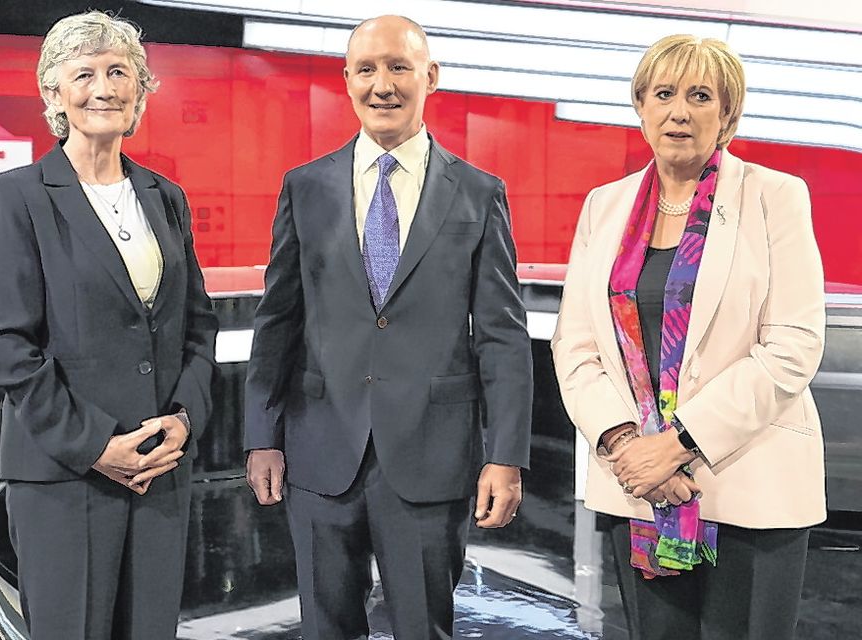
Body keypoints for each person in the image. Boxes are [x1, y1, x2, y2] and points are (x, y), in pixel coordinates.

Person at [243, 14, 532, 640]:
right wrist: (261, 435)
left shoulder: (479, 194)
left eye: (399, 67)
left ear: (430, 77)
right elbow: (277, 321)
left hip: (433, 453)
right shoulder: (305, 186)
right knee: (325, 628)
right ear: (346, 80)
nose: (383, 85)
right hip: (318, 451)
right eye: (367, 69)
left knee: (424, 629)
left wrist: (505, 457)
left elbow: (502, 335)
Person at [552, 34, 826, 640]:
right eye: (665, 93)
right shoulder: (605, 206)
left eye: (701, 96)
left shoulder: (774, 196)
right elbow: (575, 348)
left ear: (727, 114)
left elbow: (792, 345)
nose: (680, 110)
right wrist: (630, 447)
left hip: (749, 486)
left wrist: (679, 443)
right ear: (641, 107)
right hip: (641, 487)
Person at [0, 11, 218, 639]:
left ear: (140, 89)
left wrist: (184, 419)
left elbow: (198, 325)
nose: (104, 87)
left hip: (159, 471)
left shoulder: (166, 196)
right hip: (64, 478)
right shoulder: (15, 196)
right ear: (54, 94)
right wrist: (95, 447)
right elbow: (8, 350)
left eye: (119, 71)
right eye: (84, 74)